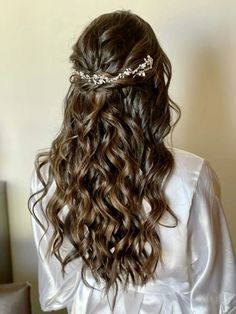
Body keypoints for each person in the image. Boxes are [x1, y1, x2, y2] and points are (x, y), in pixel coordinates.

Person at [28, 10, 236, 314]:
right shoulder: (192, 177)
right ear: (154, 87)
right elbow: (216, 296)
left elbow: (58, 291)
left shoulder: (53, 174)